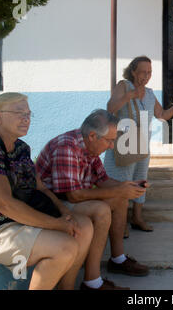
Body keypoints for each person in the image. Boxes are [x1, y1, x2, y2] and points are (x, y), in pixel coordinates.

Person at [0, 92, 94, 290]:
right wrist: (56, 225)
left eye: (29, 114)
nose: (26, 119)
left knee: (83, 225)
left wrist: (65, 214)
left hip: (16, 222)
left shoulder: (21, 148)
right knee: (65, 246)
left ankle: (67, 287)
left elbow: (41, 188)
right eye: (19, 113)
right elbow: (5, 204)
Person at [35, 109, 150, 289]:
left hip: (68, 199)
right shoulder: (66, 147)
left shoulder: (89, 147)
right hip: (52, 204)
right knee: (101, 210)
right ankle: (93, 282)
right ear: (92, 136)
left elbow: (103, 181)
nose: (112, 146)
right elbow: (73, 195)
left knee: (120, 197)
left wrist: (128, 186)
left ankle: (118, 260)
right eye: (109, 140)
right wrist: (120, 189)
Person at [105, 56, 173, 232]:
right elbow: (110, 108)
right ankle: (121, 223)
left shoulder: (149, 93)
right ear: (133, 71)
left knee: (141, 180)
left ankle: (137, 217)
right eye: (143, 72)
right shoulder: (123, 86)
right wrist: (128, 96)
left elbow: (162, 116)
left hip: (142, 145)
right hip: (123, 145)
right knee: (122, 182)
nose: (146, 76)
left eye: (149, 72)